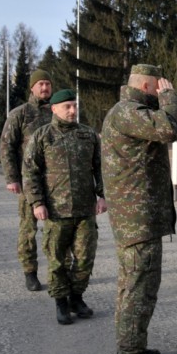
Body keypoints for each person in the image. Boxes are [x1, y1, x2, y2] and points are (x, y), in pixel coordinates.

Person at [102, 64, 177, 354]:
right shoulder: (127, 111)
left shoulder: (126, 112)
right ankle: (131, 350)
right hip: (137, 220)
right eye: (159, 86)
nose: (162, 90)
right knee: (139, 284)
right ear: (148, 87)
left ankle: (132, 344)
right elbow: (169, 128)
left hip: (136, 219)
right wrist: (170, 97)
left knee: (133, 283)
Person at [22, 89, 107, 325]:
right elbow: (30, 172)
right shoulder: (42, 136)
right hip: (56, 212)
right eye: (67, 106)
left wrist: (102, 195)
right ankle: (61, 302)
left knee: (84, 258)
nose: (72, 110)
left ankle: (76, 298)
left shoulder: (88, 135)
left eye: (74, 106)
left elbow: (100, 168)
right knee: (57, 260)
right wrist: (37, 202)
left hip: (84, 210)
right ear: (54, 109)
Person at [0, 70, 53, 291]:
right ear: (32, 87)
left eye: (48, 84)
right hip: (28, 181)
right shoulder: (19, 114)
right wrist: (12, 178)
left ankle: (57, 271)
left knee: (55, 229)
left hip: (54, 182)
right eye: (40, 84)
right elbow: (7, 146)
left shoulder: (56, 112)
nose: (44, 88)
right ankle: (30, 272)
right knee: (28, 229)